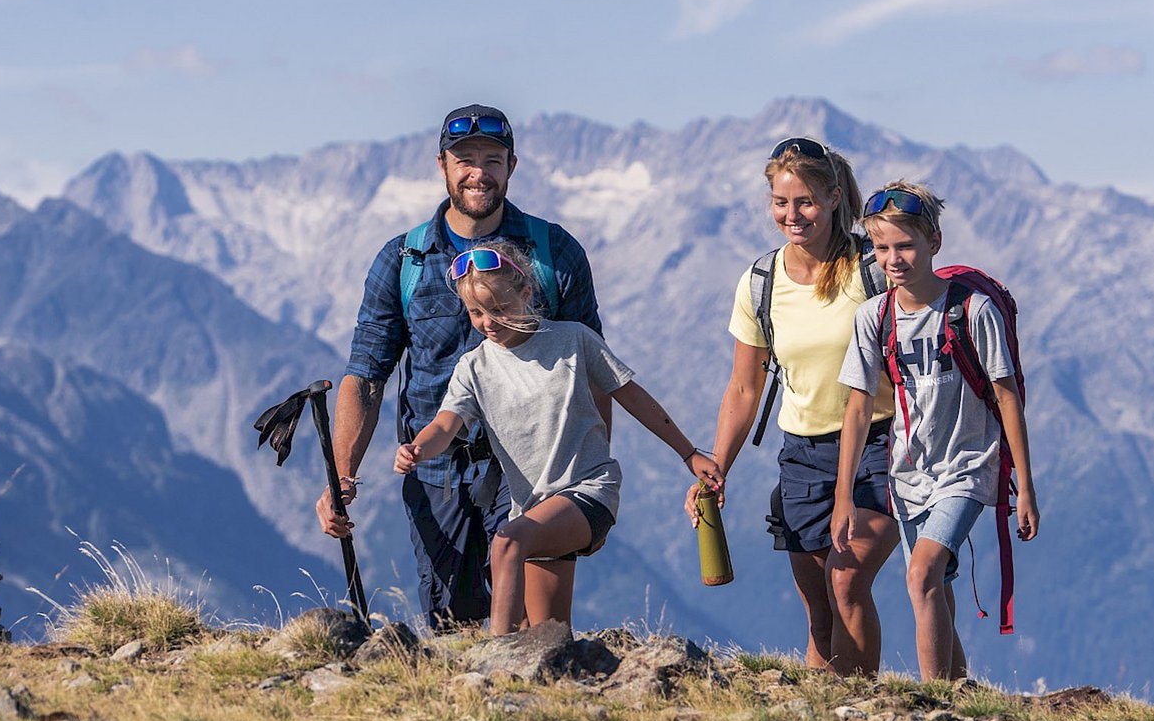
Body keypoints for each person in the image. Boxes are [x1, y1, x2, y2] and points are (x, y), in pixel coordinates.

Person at [318, 105, 603, 629]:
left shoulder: (554, 253)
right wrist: (342, 475)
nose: (478, 173)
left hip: (531, 468)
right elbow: (366, 376)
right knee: (454, 625)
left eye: (491, 160)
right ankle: (475, 712)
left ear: (511, 166)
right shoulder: (403, 260)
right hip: (436, 473)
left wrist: (589, 470)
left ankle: (537, 706)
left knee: (532, 628)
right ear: (442, 166)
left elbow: (592, 369)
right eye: (464, 160)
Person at [396, 240, 720, 632]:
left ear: (526, 293)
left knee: (505, 544)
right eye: (476, 312)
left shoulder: (573, 340)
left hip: (589, 490)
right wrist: (417, 449)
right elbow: (445, 426)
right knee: (547, 634)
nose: (488, 322)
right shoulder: (474, 367)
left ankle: (493, 667)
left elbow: (633, 397)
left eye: (498, 308)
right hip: (532, 507)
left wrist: (689, 454)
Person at [685, 136, 911, 675]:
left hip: (881, 445)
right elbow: (745, 388)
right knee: (819, 611)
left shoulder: (871, 269)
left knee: (846, 578)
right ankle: (821, 719)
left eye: (805, 201)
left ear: (835, 198)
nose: (793, 215)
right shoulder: (761, 282)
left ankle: (863, 713)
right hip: (804, 457)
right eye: (782, 203)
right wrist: (716, 468)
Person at [835, 181, 1040, 680]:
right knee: (937, 586)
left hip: (969, 466)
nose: (893, 259)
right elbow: (859, 409)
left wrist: (1025, 487)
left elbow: (1008, 397)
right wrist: (845, 496)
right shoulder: (874, 317)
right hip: (908, 473)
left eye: (905, 245)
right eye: (881, 248)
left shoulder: (972, 310)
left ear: (934, 243)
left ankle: (932, 704)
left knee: (922, 572)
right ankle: (958, 691)